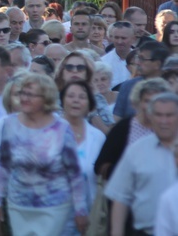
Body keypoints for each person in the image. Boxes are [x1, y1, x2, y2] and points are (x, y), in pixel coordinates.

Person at [0, 73, 89, 235]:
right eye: (23, 93)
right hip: (18, 205)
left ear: (46, 99)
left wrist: (80, 209)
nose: (24, 98)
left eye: (31, 94)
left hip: (53, 206)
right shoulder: (10, 124)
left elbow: (74, 173)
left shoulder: (61, 128)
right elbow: (4, 164)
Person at [105, 93, 178, 235]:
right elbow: (120, 197)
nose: (164, 121)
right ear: (150, 116)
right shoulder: (136, 150)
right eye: (158, 115)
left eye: (169, 115)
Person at [94, 79, 172, 180]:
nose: (151, 106)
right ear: (138, 102)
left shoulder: (171, 128)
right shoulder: (124, 127)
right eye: (147, 101)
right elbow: (100, 166)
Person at [60, 81, 106, 235]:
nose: (76, 100)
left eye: (82, 97)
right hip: (54, 216)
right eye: (71, 96)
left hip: (89, 217)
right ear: (62, 100)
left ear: (90, 105)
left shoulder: (98, 137)